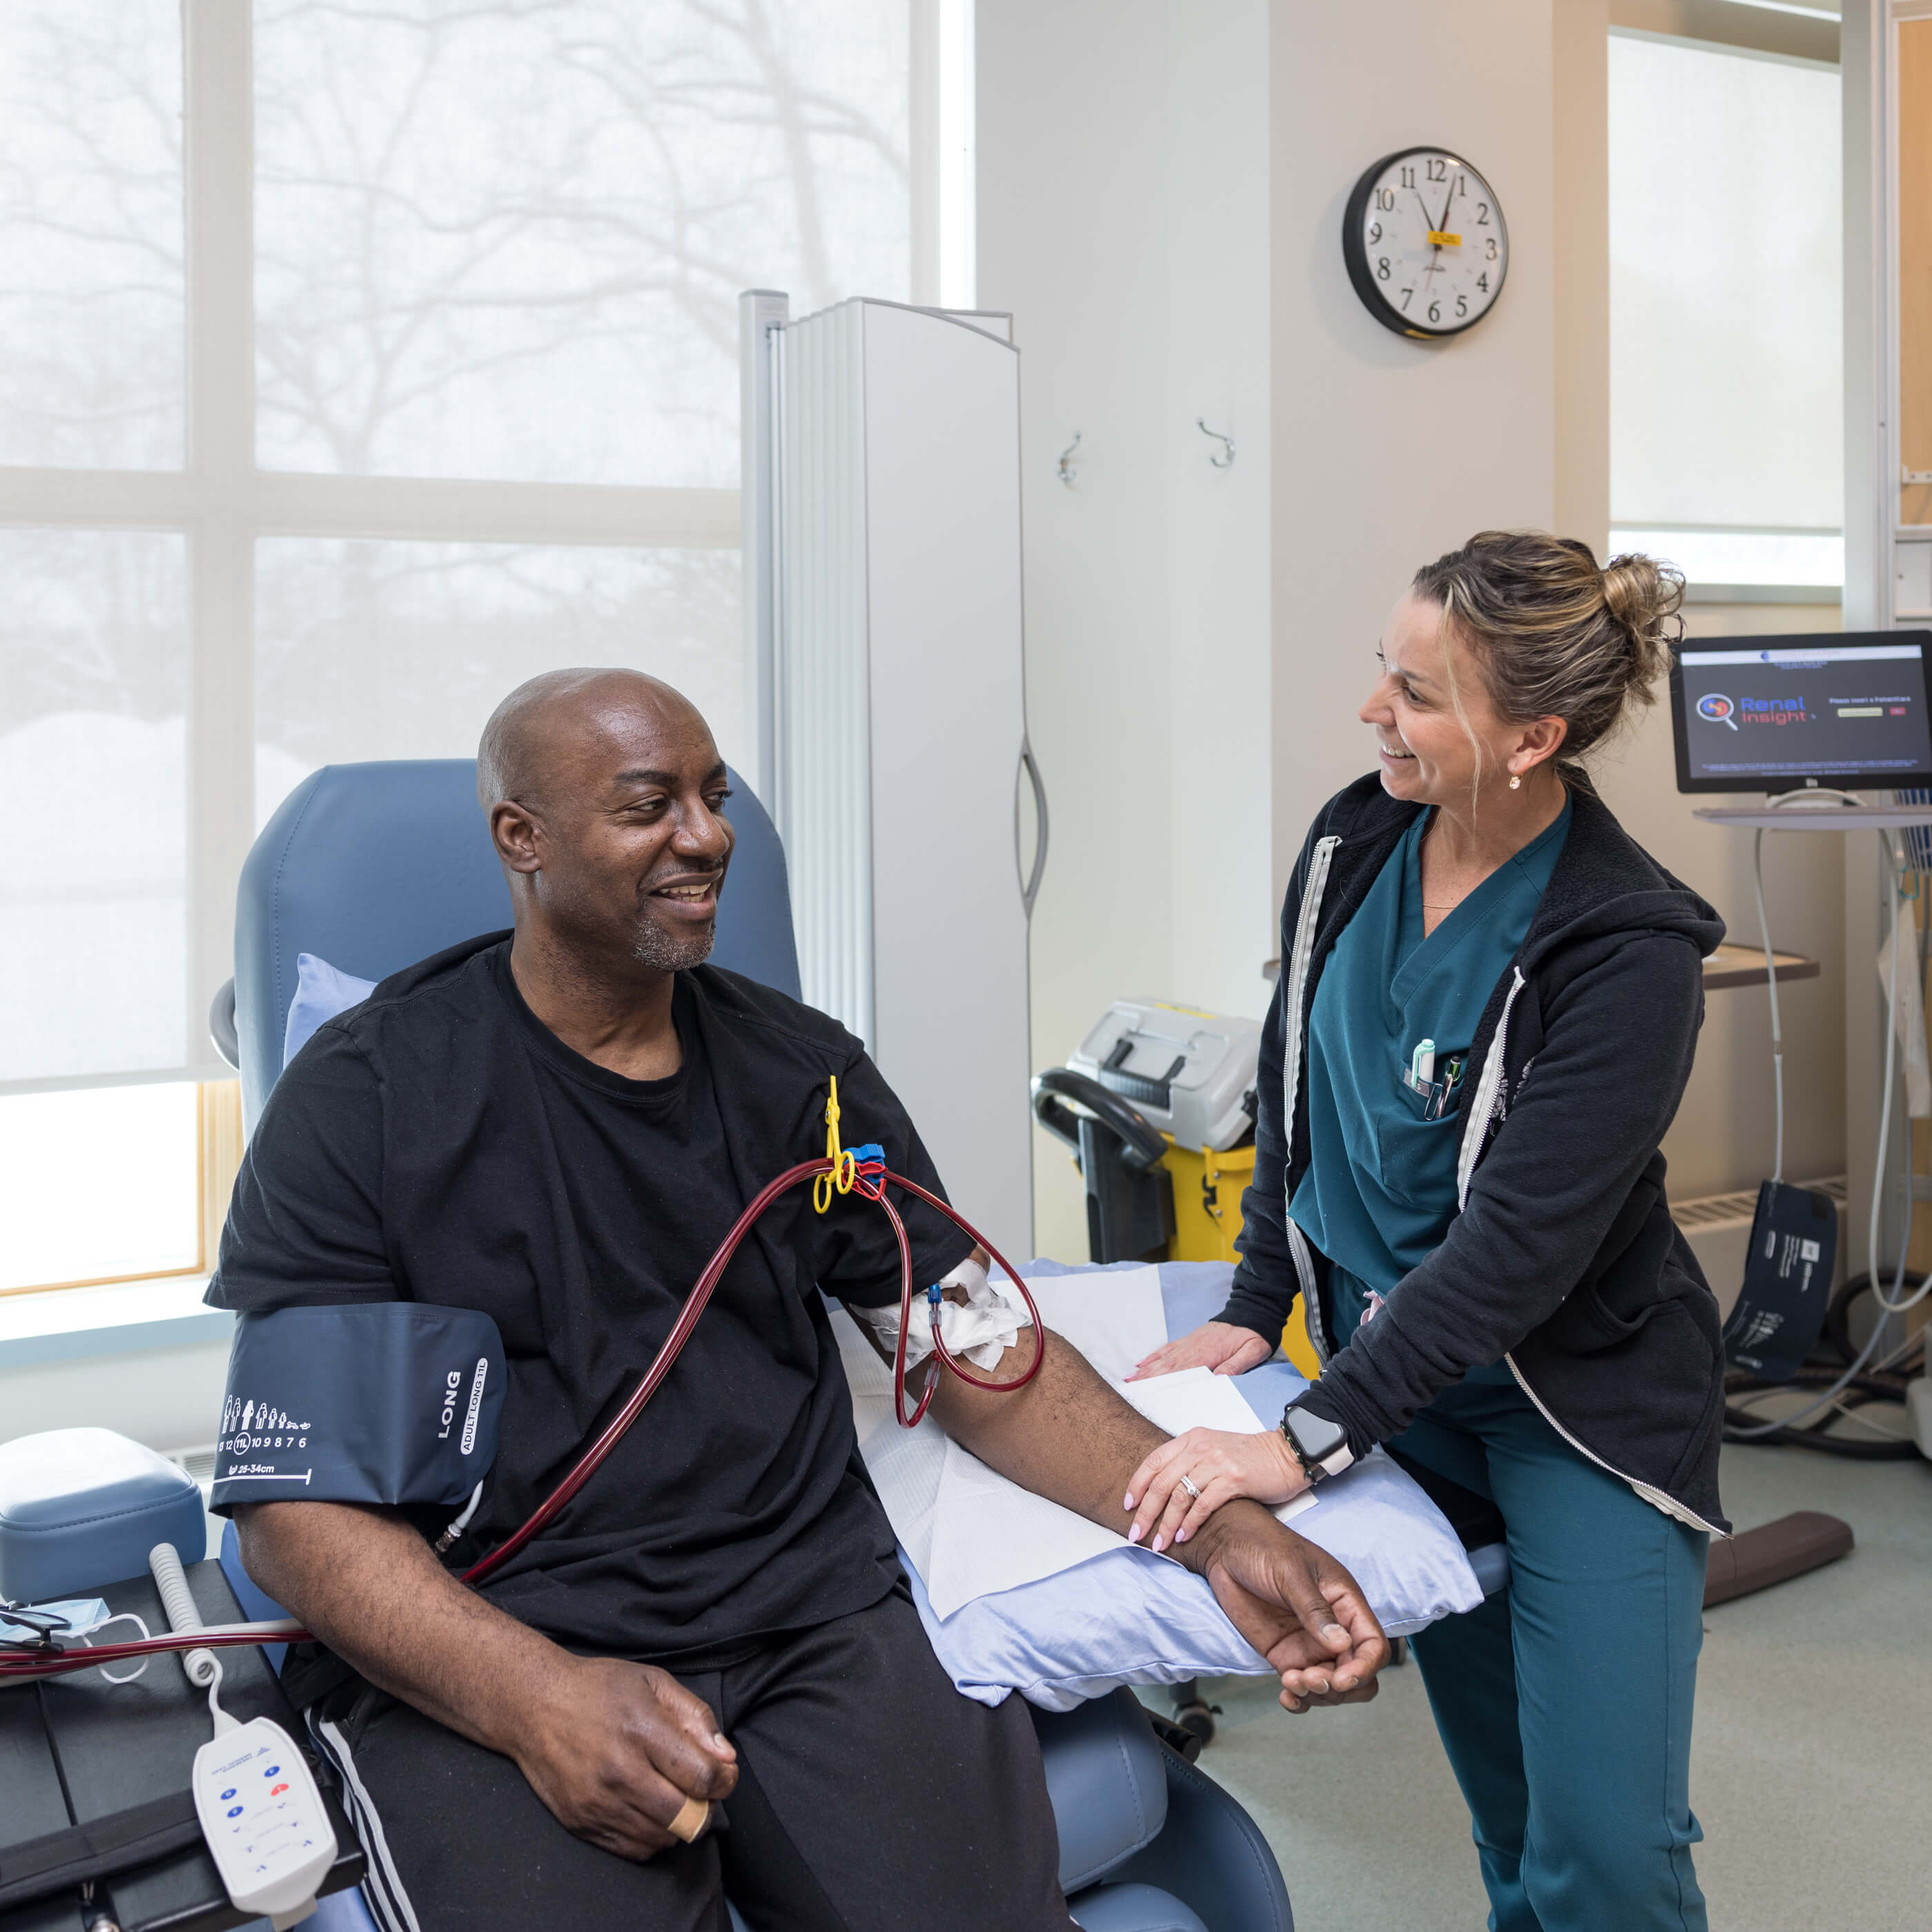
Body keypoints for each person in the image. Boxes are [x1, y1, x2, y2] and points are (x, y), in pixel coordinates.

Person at [206, 667, 1389, 1932]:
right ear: (523, 838)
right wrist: (534, 1699)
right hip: (506, 1622)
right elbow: (293, 1512)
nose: (708, 836)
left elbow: (991, 1355)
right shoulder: (370, 1094)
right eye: (650, 804)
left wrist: (1211, 1527)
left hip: (808, 1617)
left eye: (714, 798)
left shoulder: (807, 1078)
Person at [1124, 533, 1727, 1932]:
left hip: (1569, 1403)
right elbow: (1292, 1075)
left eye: (1411, 690)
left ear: (1531, 737)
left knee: (1608, 1845)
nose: (1368, 710)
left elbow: (1517, 1249)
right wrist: (1258, 1288)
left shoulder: (1624, 949)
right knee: (1510, 1813)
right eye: (1378, 672)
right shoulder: (1356, 833)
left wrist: (1300, 1442)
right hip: (1399, 1390)